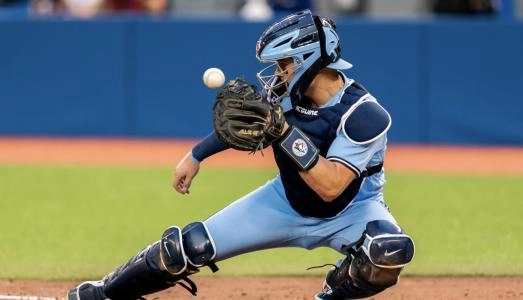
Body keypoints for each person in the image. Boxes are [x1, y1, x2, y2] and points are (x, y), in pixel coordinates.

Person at [67, 9, 414, 300]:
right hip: (284, 202)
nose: (278, 73)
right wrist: (197, 154)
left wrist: (285, 133)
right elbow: (247, 127)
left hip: (350, 211)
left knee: (388, 252)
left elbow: (331, 187)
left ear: (308, 60)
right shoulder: (284, 98)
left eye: (284, 64)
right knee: (187, 247)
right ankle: (104, 293)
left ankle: (331, 293)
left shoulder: (364, 116)